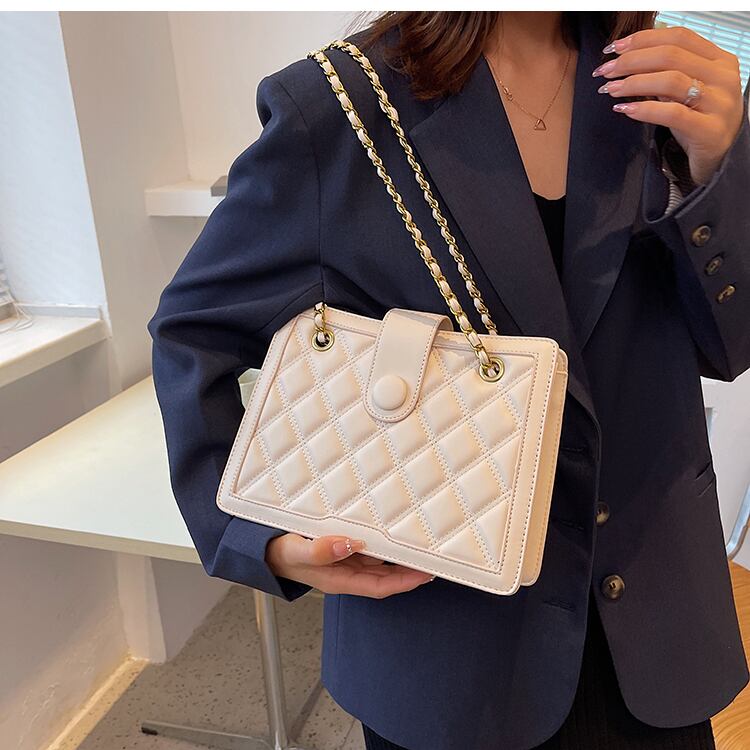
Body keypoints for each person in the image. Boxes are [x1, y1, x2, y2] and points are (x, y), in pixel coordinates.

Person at [147, 10, 750, 750]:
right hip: (447, 644)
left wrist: (719, 168)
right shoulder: (342, 107)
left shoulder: (665, 88)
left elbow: (729, 347)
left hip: (657, 626)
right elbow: (193, 331)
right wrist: (259, 533)